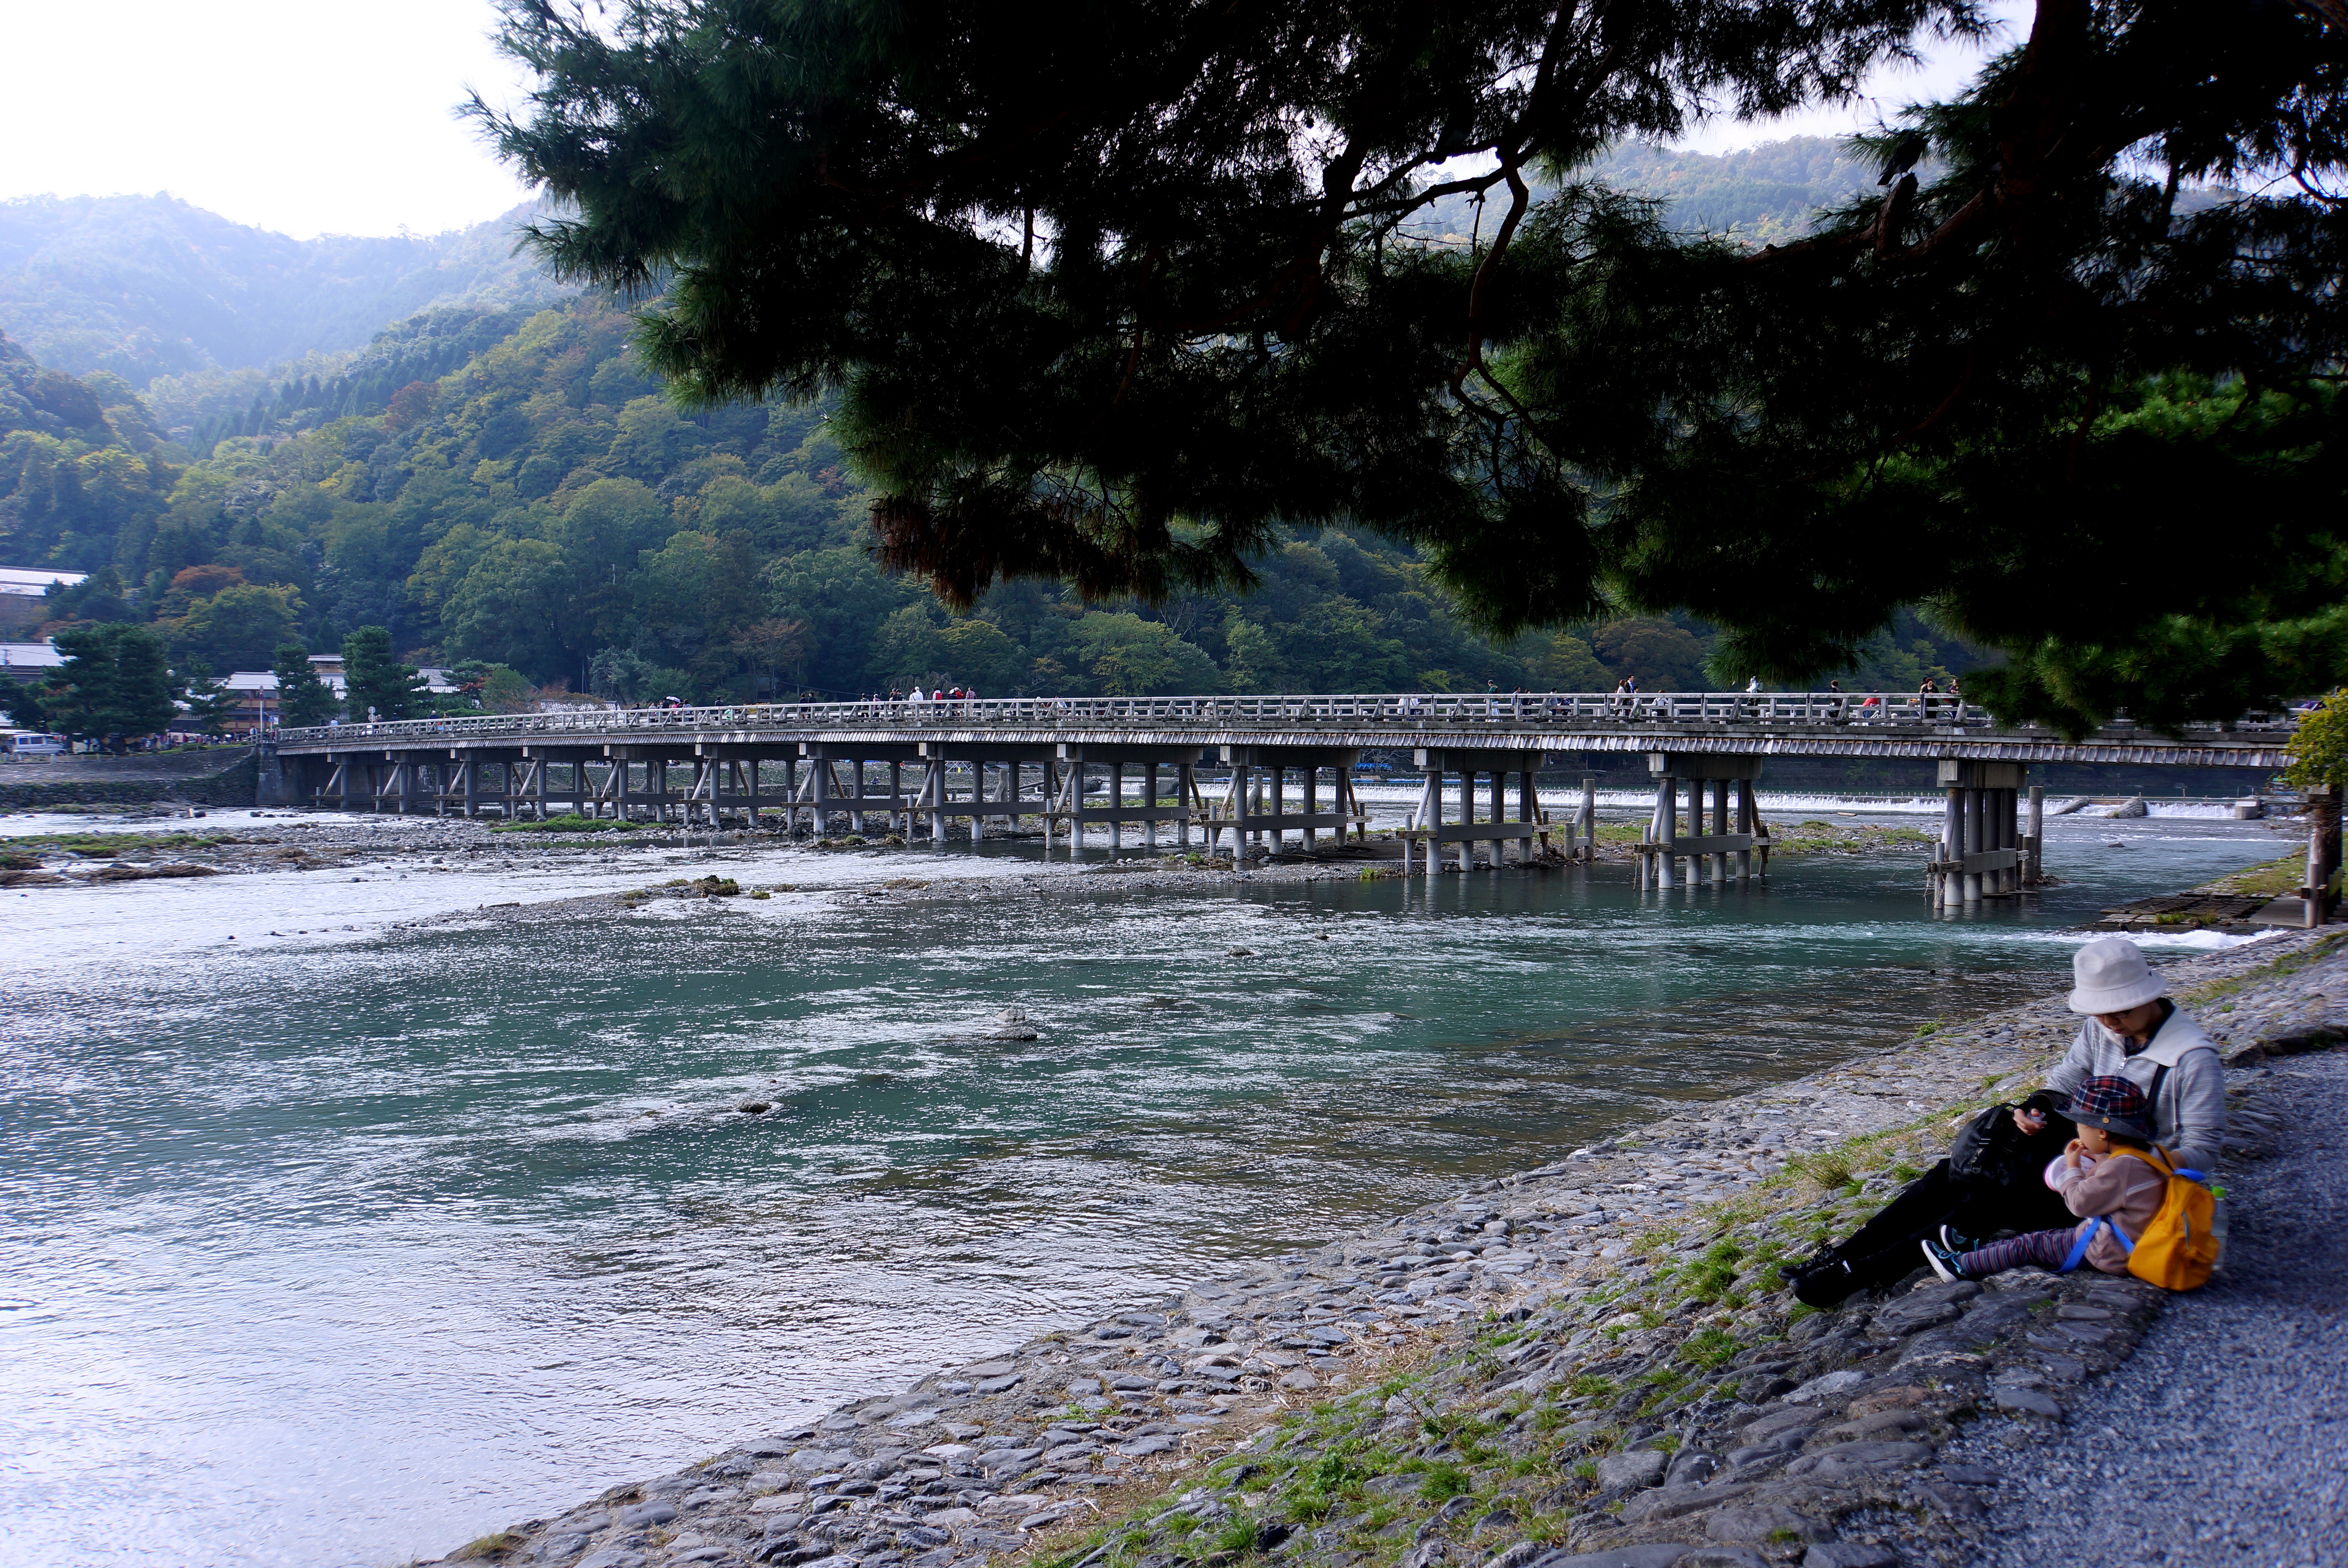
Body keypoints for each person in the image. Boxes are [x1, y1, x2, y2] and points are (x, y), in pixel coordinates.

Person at [1786, 936, 2223, 1306]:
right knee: (1951, 1174)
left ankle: (1862, 1273)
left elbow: (2202, 1150)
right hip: (2086, 1161)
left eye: (2121, 1012)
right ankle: (1844, 1255)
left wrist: (2123, 1159)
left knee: (1995, 1193)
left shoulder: (2192, 1058)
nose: (2111, 1022)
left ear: (2148, 996)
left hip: (2129, 1196)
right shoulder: (2103, 1030)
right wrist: (2033, 1111)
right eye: (2102, 1012)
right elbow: (2062, 1084)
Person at [1921, 1076, 2170, 1281]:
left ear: (2102, 1132)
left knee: (2030, 1246)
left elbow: (2079, 1204)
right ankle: (1975, 1253)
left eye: (2081, 1126)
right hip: (2125, 1238)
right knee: (2041, 1237)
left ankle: (1961, 1267)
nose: (2078, 1131)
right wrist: (2100, 1162)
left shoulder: (2121, 1168)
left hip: (2109, 1251)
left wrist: (2072, 1168)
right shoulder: (2152, 1155)